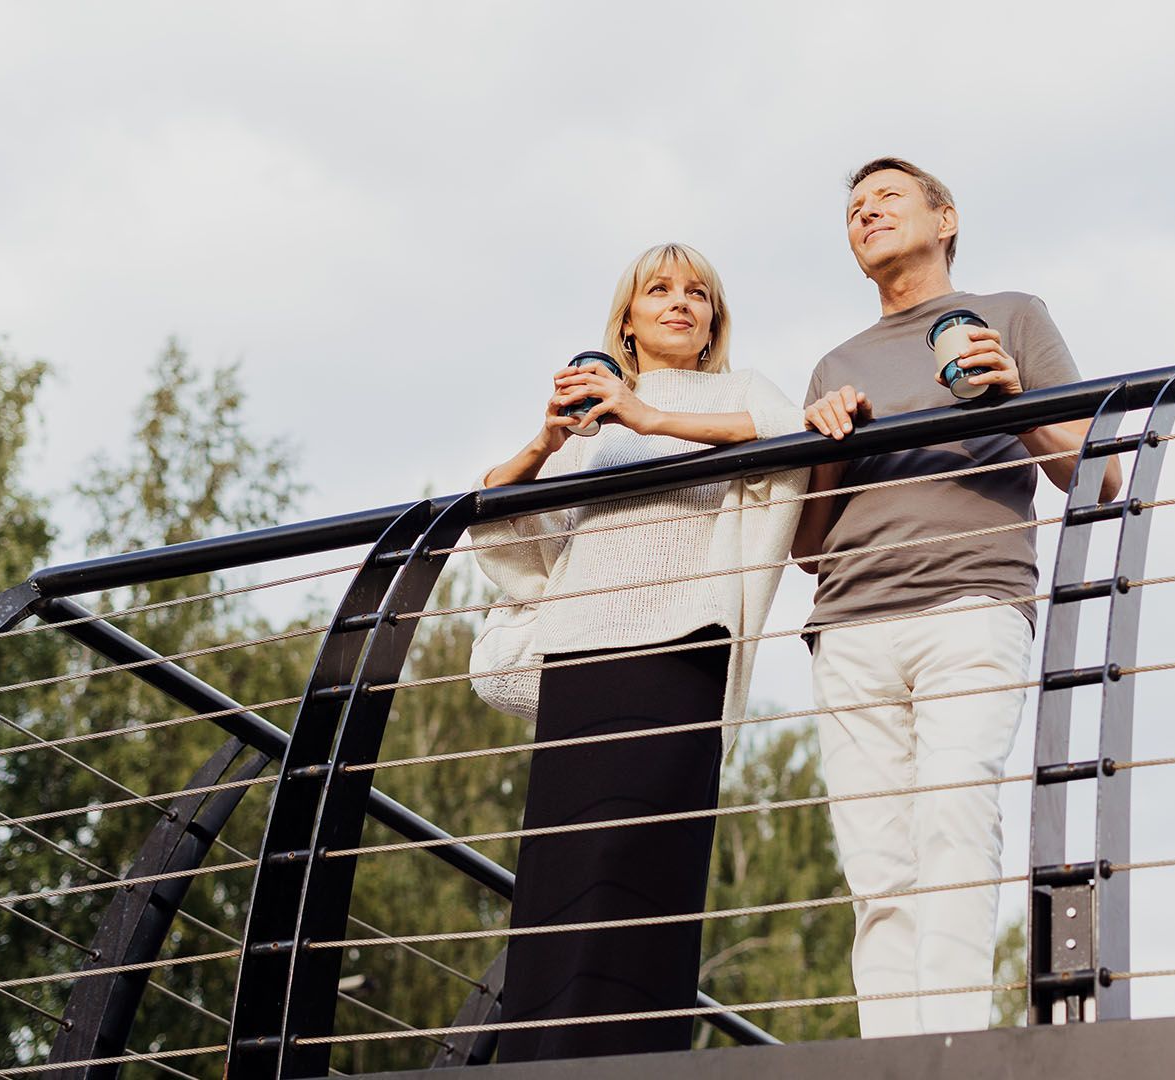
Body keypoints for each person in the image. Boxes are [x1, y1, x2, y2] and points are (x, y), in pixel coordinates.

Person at [794, 158, 1124, 1037]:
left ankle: (947, 1044)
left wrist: (1013, 396)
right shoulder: (836, 362)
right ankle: (889, 1052)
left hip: (971, 605)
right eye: (854, 210)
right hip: (849, 625)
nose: (866, 214)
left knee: (954, 817)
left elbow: (1096, 472)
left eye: (887, 198)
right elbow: (803, 547)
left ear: (945, 218)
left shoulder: (1012, 317)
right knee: (876, 864)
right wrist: (825, 442)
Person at [470, 243, 806, 1061]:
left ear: (713, 320)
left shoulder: (739, 392)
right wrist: (545, 445)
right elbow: (505, 532)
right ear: (627, 317)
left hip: (680, 650)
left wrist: (650, 417)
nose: (679, 302)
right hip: (582, 656)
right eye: (658, 290)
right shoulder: (591, 418)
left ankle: (633, 1056)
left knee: (642, 862)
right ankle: (536, 1060)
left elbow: (792, 436)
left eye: (697, 293)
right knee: (563, 874)